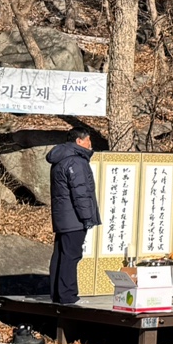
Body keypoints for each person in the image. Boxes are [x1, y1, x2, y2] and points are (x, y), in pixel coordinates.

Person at [47, 128, 100, 304]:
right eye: (88, 140)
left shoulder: (60, 159)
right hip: (74, 217)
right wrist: (87, 217)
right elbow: (81, 193)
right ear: (79, 141)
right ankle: (68, 295)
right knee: (71, 255)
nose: (90, 144)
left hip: (63, 216)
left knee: (61, 254)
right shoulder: (76, 161)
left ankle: (57, 294)